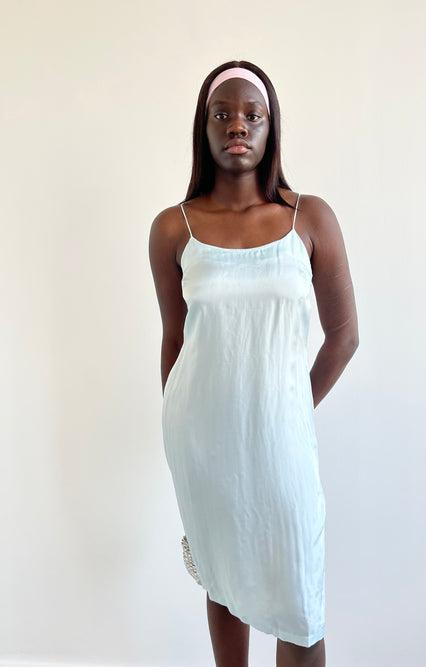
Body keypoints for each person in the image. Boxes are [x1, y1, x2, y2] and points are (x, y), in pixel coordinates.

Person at [149, 60, 359, 667]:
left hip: (281, 443)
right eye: (222, 114)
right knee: (224, 580)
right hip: (202, 444)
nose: (237, 125)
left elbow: (344, 336)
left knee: (299, 603)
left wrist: (288, 409)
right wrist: (184, 429)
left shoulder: (308, 218)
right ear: (204, 129)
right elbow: (174, 337)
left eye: (252, 114)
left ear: (270, 128)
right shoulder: (173, 229)